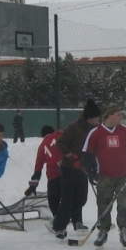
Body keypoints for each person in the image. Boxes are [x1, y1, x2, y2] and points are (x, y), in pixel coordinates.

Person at [82, 104, 126, 249]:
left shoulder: (124, 130)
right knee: (103, 204)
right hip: (104, 176)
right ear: (110, 115)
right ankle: (103, 231)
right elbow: (86, 155)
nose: (121, 117)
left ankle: (124, 230)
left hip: (124, 174)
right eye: (118, 114)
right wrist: (91, 172)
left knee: (124, 203)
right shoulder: (96, 133)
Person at [50, 99, 102, 240]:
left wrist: (94, 168)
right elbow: (60, 143)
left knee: (81, 198)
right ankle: (59, 226)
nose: (99, 120)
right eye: (97, 117)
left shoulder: (96, 130)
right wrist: (71, 156)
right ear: (90, 118)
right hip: (69, 169)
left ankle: (73, 220)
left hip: (83, 170)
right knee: (67, 199)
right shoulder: (74, 127)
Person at [25, 124, 64, 216]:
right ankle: (76, 220)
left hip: (53, 176)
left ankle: (57, 220)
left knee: (53, 199)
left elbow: (38, 168)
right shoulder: (59, 134)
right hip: (67, 171)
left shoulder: (42, 147)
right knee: (68, 198)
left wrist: (33, 186)